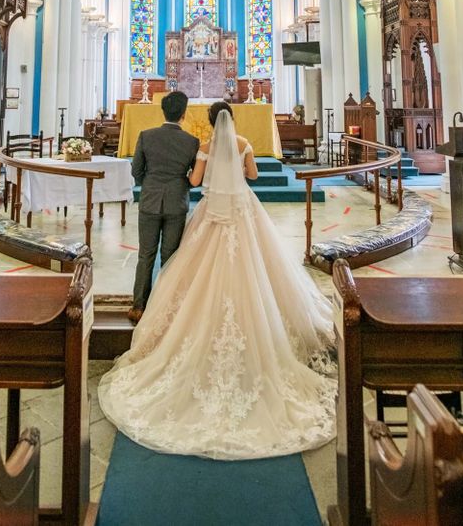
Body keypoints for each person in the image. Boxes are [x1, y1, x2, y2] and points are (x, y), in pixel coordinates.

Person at [99, 101, 336, 460]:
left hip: (209, 211)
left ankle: (148, 306)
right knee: (253, 267)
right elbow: (254, 177)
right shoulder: (242, 144)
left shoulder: (203, 147)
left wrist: (189, 177)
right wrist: (239, 167)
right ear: (233, 119)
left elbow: (194, 181)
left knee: (182, 265)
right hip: (241, 210)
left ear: (208, 121)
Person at [127, 90, 199, 324]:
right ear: (183, 114)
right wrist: (181, 184)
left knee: (145, 254)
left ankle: (139, 306)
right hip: (177, 202)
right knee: (170, 256)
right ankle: (166, 305)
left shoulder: (146, 136)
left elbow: (136, 171)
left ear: (163, 111)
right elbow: (194, 177)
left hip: (150, 199)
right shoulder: (191, 141)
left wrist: (149, 184)